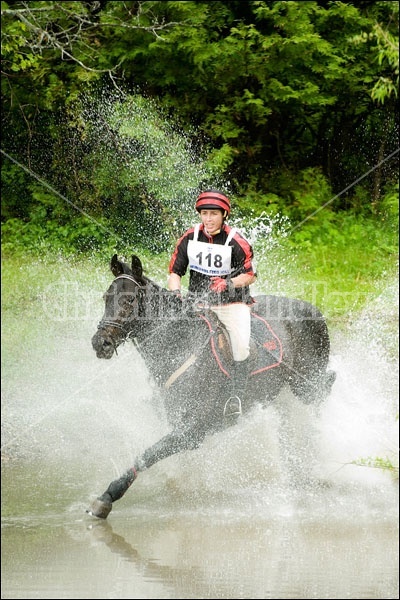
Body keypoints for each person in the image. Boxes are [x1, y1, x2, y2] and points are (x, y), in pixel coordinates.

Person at [168, 189, 257, 419]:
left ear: (224, 214)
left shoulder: (236, 241)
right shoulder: (189, 237)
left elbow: (250, 275)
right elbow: (174, 273)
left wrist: (228, 284)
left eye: (213, 214)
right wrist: (176, 293)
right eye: (204, 214)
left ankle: (236, 396)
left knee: (240, 345)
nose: (208, 219)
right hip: (197, 304)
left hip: (231, 304)